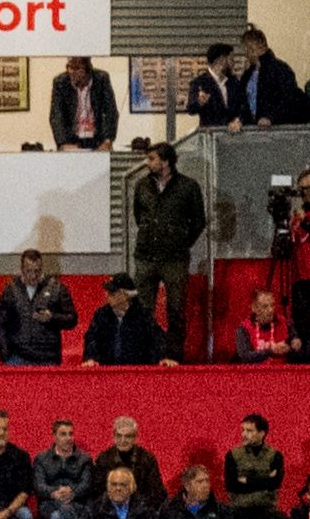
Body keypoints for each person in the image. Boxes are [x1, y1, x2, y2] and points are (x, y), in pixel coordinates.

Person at [128, 142, 205, 356]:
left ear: (166, 161)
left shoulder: (188, 186)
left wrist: (180, 242)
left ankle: (174, 355)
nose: (147, 163)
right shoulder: (142, 185)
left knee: (176, 310)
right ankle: (146, 354)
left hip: (175, 259)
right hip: (146, 256)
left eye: (152, 159)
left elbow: (199, 221)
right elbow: (138, 216)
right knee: (143, 310)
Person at [48, 56, 117, 150]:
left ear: (88, 69)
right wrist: (63, 143)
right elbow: (56, 115)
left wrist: (108, 140)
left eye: (77, 68)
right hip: (71, 140)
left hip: (98, 140)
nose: (72, 72)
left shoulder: (101, 79)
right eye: (70, 67)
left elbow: (111, 112)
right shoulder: (60, 82)